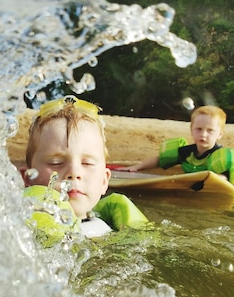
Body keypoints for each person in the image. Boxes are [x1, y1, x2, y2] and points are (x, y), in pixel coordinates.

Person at [21, 95, 148, 245]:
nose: (74, 172)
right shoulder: (17, 229)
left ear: (104, 181)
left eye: (87, 163)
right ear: (28, 178)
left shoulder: (111, 234)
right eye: (56, 162)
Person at [122, 105, 234, 184]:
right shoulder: (186, 152)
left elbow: (225, 178)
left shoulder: (221, 156)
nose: (203, 135)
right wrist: (135, 168)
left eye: (210, 131)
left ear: (220, 134)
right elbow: (159, 160)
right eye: (198, 129)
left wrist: (220, 179)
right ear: (191, 130)